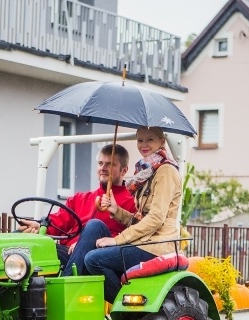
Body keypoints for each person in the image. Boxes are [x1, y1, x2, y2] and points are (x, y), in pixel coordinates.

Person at [64, 126, 182, 303]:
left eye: (150, 139)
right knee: (94, 225)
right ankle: (66, 289)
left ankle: (124, 309)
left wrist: (117, 240)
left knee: (93, 260)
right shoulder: (147, 171)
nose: (144, 144)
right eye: (140, 140)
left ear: (161, 141)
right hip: (142, 241)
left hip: (155, 245)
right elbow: (138, 220)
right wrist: (115, 210)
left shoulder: (165, 171)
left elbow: (156, 219)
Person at [18, 144, 136, 267]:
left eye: (110, 164)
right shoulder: (79, 198)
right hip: (68, 252)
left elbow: (130, 236)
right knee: (20, 239)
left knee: (94, 226)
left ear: (124, 170)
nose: (103, 168)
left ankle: (68, 281)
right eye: (100, 163)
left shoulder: (131, 203)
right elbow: (59, 222)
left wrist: (84, 244)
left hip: (97, 256)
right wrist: (40, 227)